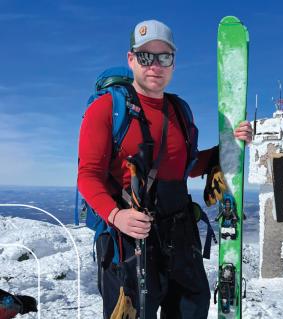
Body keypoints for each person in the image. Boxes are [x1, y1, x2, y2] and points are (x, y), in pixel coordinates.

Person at [78, 19, 252, 319]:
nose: (154, 65)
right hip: (128, 238)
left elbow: (186, 165)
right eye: (145, 56)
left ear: (173, 63)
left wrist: (229, 147)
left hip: (180, 234)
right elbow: (88, 174)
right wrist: (117, 216)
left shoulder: (179, 110)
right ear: (131, 59)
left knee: (190, 307)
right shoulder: (106, 108)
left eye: (164, 57)